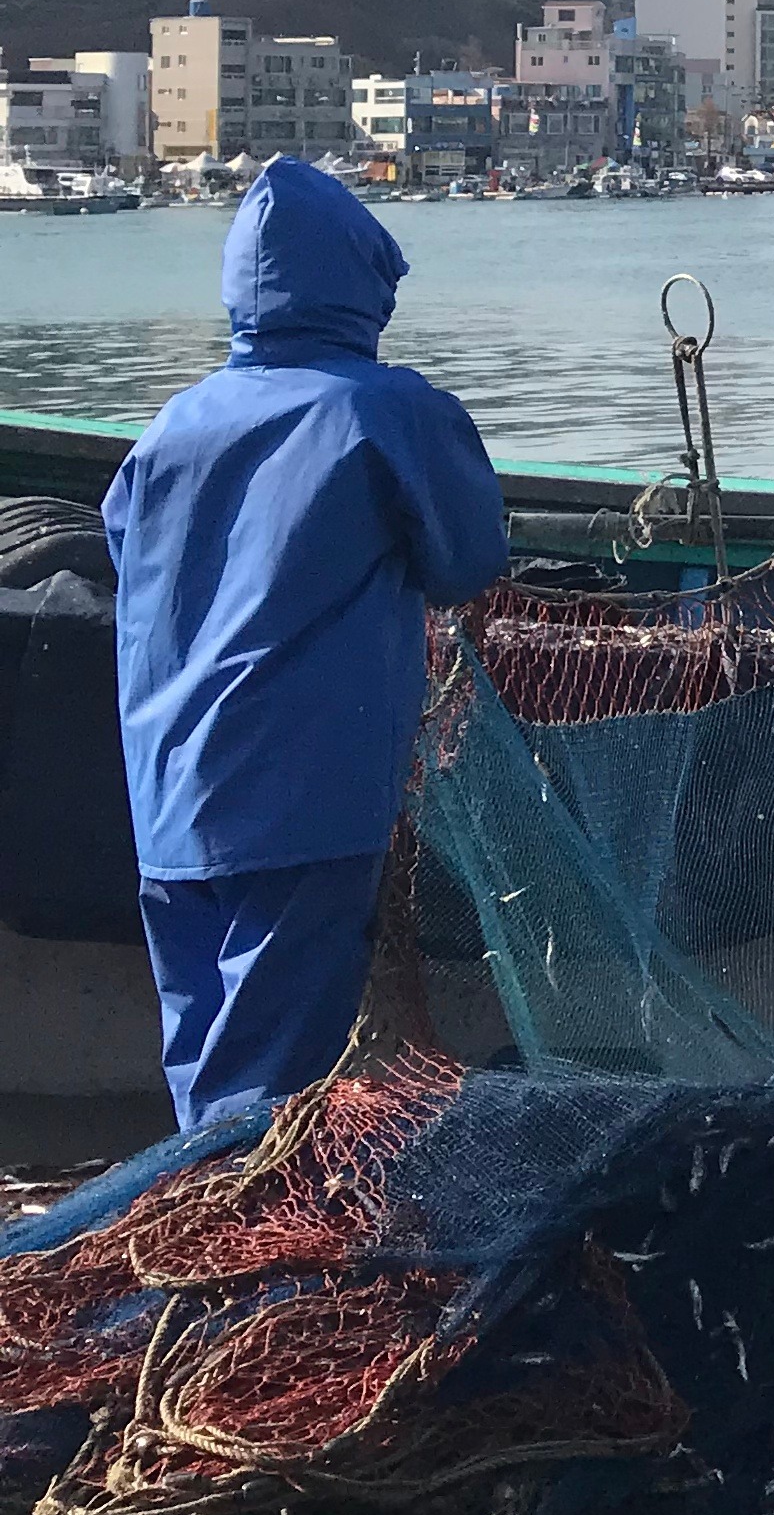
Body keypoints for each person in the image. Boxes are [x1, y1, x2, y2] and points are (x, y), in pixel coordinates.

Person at [102, 160, 507, 1127]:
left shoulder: (171, 426)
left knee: (205, 1057)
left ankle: (198, 1251)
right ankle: (261, 1275)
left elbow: (128, 558)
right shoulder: (383, 410)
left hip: (170, 801)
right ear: (362, 282)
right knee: (271, 1091)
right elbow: (468, 559)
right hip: (307, 802)